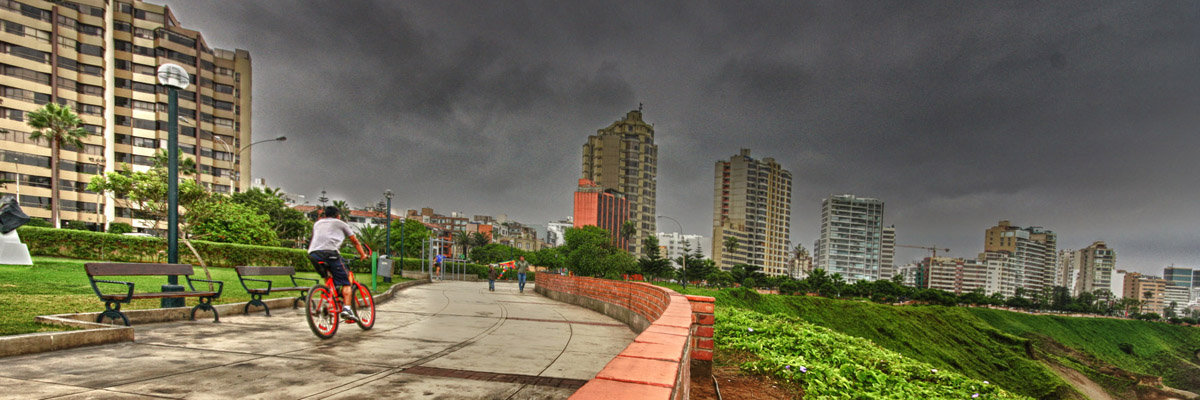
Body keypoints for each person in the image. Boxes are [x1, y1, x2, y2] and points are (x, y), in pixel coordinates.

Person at [307, 206, 368, 322]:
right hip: (331, 253)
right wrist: (362, 254)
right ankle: (347, 309)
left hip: (313, 254)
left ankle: (328, 300)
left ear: (325, 215)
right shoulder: (341, 223)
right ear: (338, 215)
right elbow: (355, 241)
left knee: (327, 276)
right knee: (346, 282)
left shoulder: (317, 224)